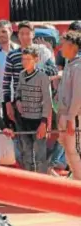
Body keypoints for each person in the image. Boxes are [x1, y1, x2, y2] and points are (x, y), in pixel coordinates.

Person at [15, 46, 52, 173]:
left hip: (38, 120)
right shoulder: (21, 75)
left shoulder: (42, 76)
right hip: (24, 119)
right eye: (23, 59)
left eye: (28, 59)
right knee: (27, 153)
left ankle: (41, 182)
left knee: (40, 155)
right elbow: (18, 91)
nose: (25, 62)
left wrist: (43, 122)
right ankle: (28, 181)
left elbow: (48, 101)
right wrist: (18, 100)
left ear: (36, 59)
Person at [57, 31, 81, 181]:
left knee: (75, 150)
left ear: (72, 46)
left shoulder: (78, 66)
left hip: (75, 116)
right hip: (65, 115)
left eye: (63, 44)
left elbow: (78, 95)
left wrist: (71, 118)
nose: (60, 48)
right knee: (68, 151)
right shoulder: (69, 64)